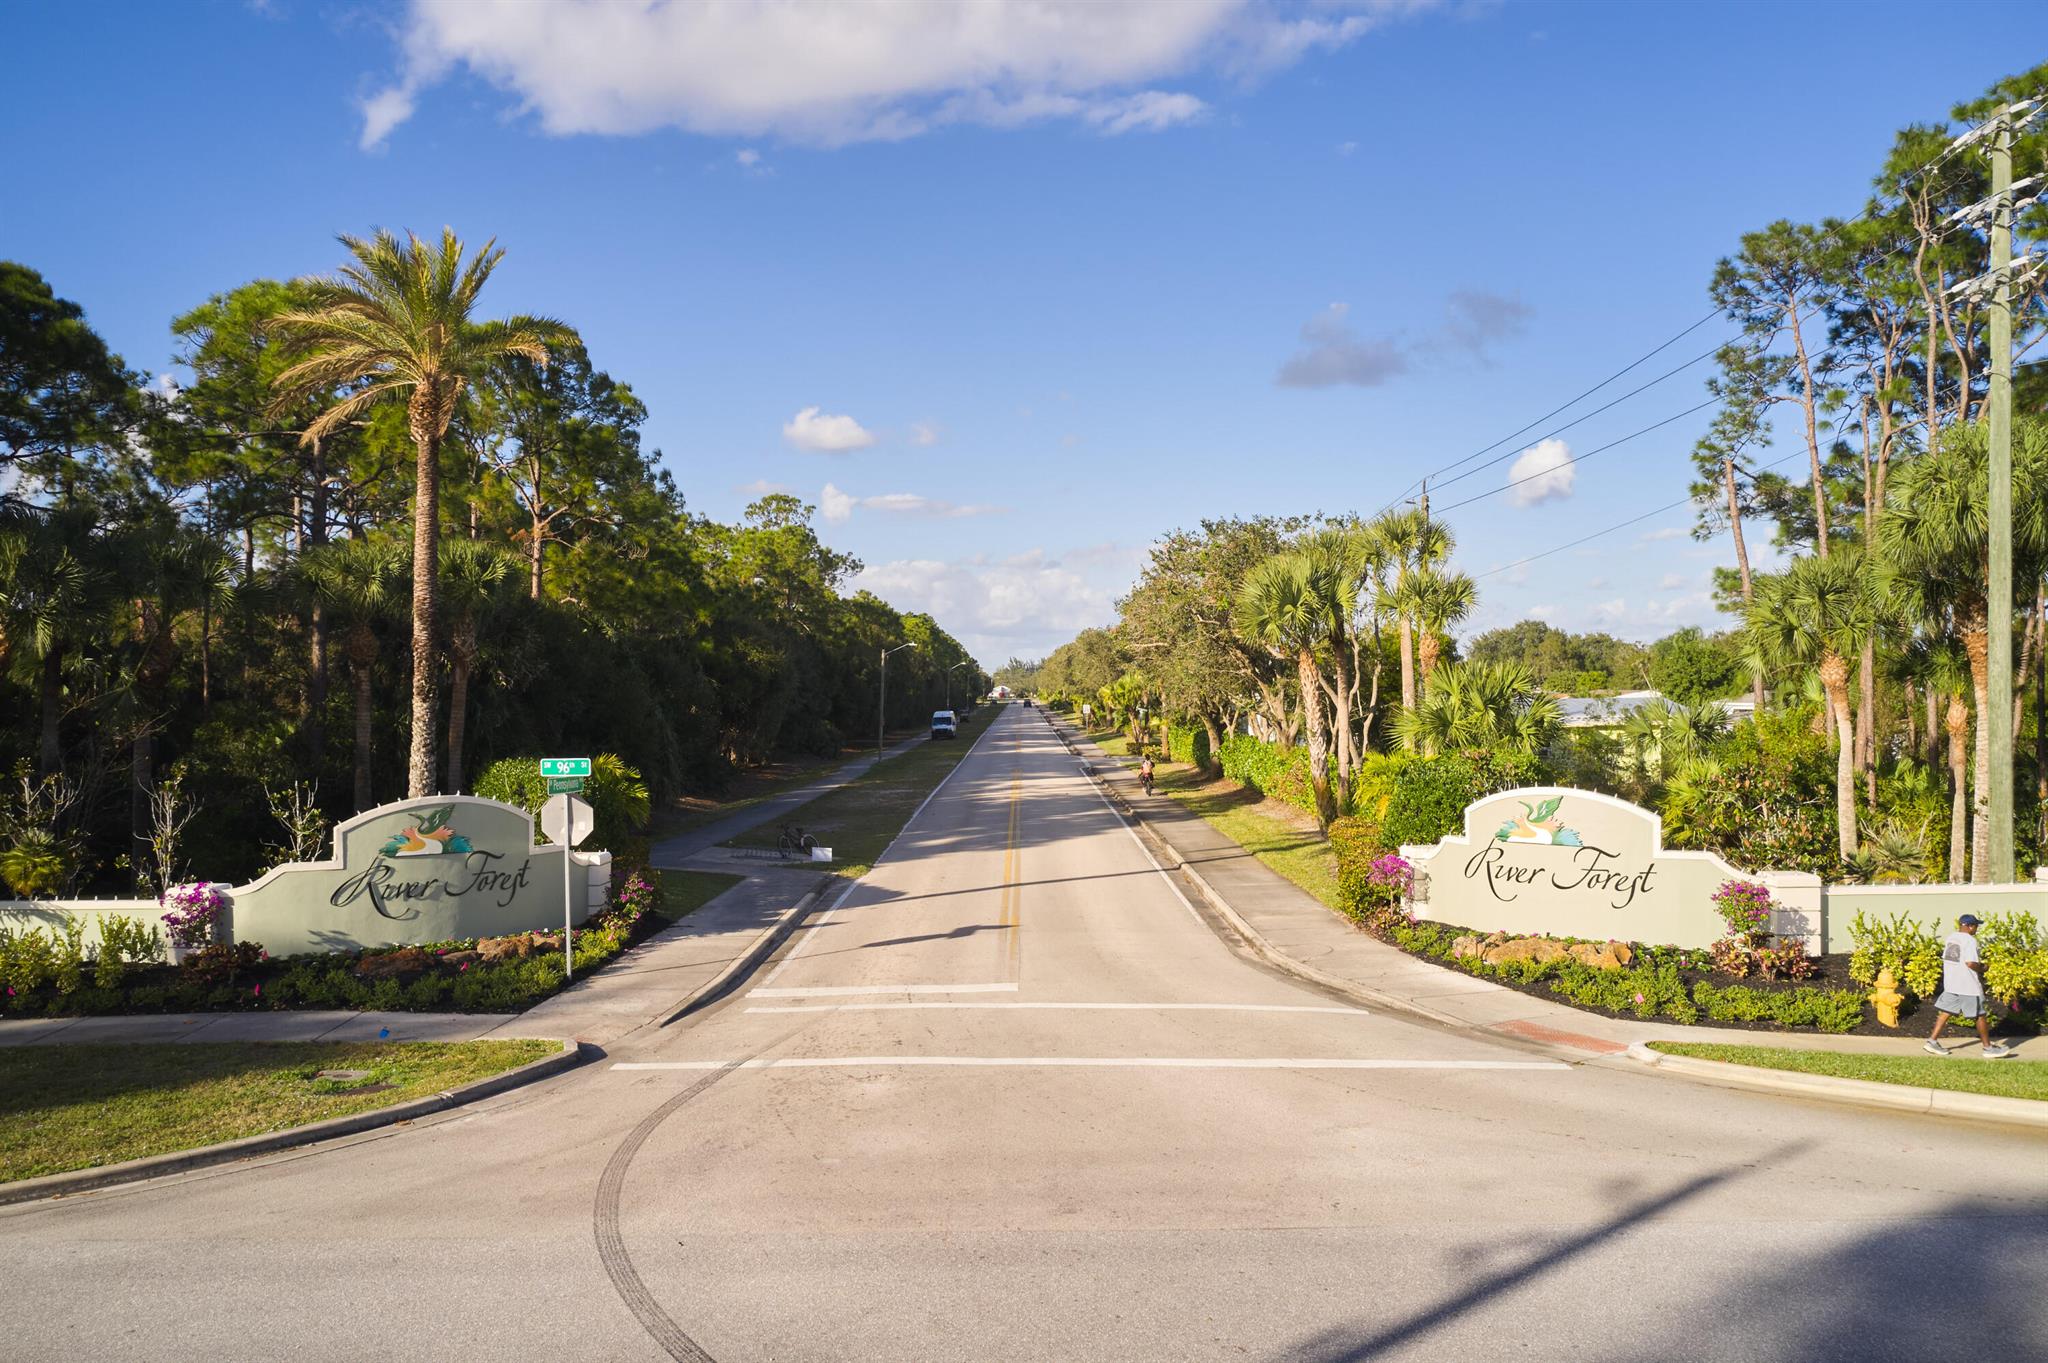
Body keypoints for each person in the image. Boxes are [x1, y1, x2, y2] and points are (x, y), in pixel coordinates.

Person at [1924, 914, 2014, 1057]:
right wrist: (1984, 968)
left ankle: (1932, 1042)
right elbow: (1970, 963)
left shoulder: (1951, 938)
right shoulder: (1970, 940)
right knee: (1980, 1015)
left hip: (1952, 983)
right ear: (1970, 926)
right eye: (1976, 926)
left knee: (1946, 1012)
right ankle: (1988, 1049)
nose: (1976, 929)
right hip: (1967, 985)